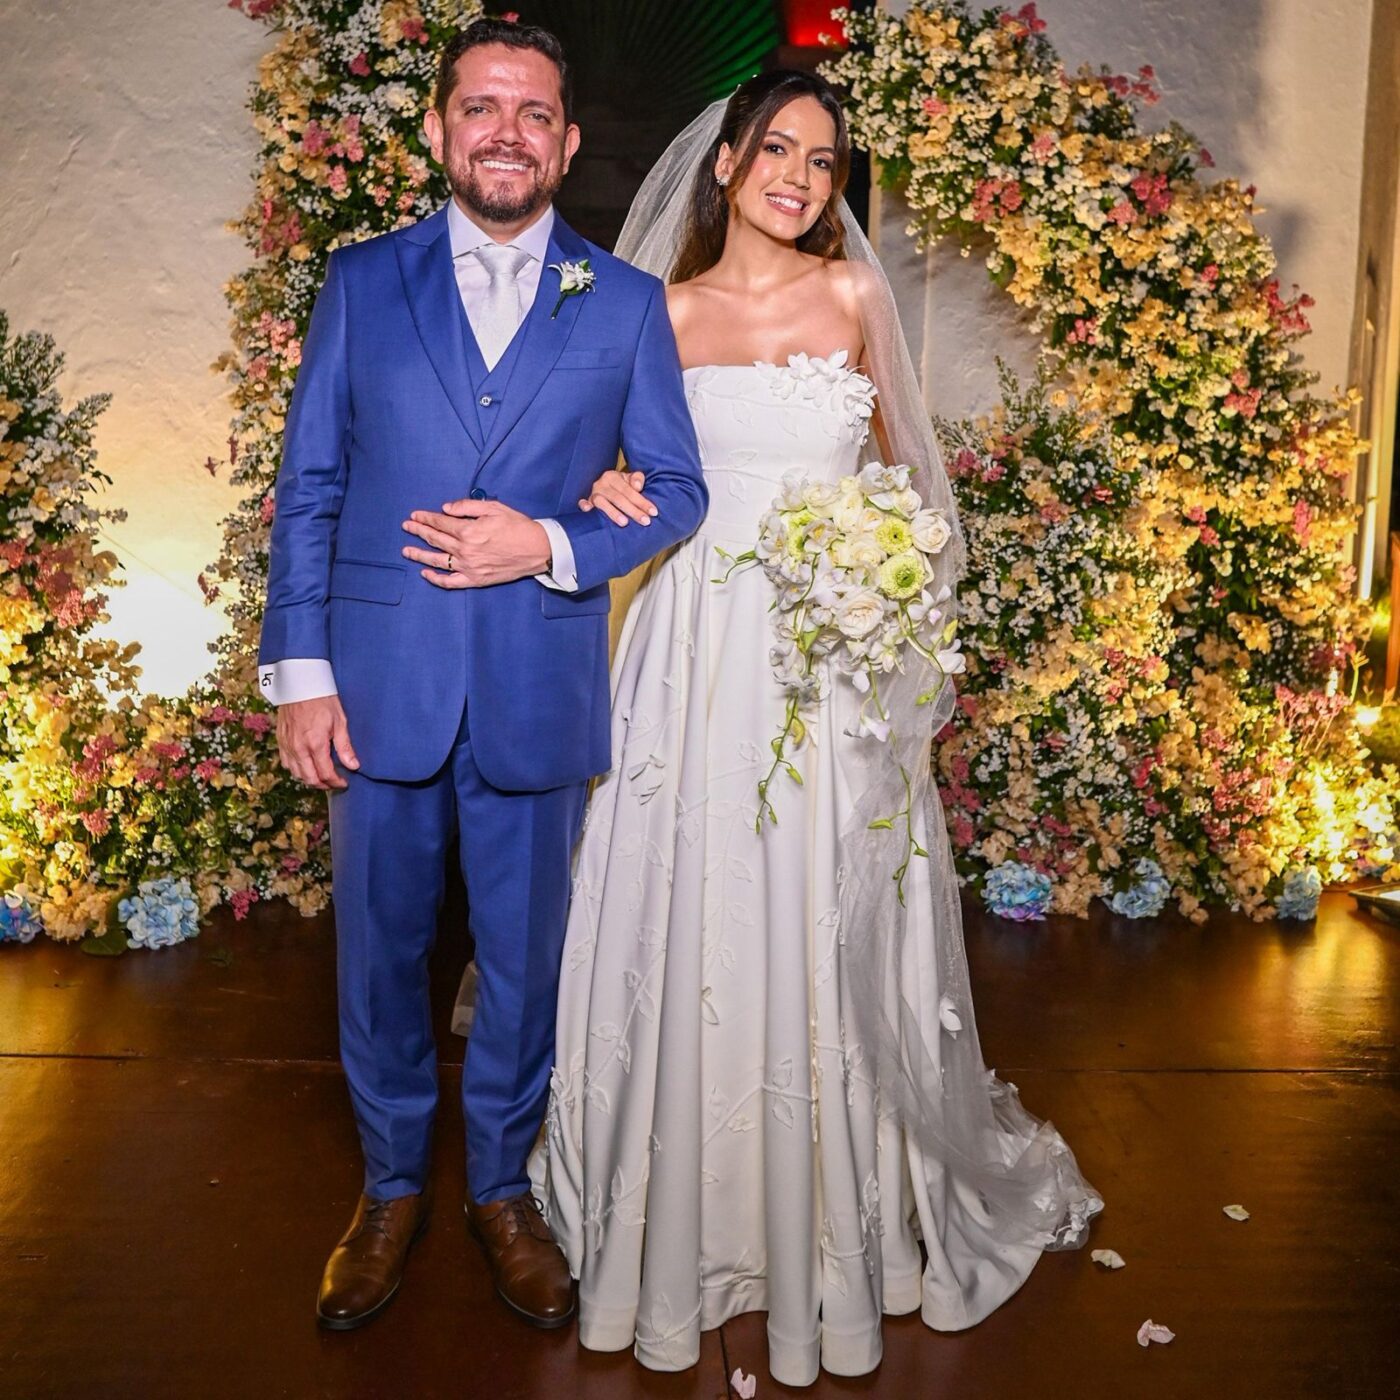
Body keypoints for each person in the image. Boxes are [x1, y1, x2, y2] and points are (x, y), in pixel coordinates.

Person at [533, 72, 1102, 1385]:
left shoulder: (855, 299)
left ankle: (834, 1216)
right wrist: (607, 479)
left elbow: (914, 482)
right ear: (725, 163)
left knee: (824, 909)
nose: (799, 172)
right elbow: (602, 470)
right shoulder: (657, 313)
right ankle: (683, 1209)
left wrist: (883, 582)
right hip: (689, 654)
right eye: (777, 148)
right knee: (695, 908)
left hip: (831, 659)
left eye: (824, 158)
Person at [257, 19, 707, 1332]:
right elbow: (312, 486)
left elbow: (674, 487)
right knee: (379, 955)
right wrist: (299, 674)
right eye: (482, 107)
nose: (507, 131)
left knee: (526, 959)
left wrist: (552, 541)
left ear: (566, 141)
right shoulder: (360, 281)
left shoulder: (619, 303)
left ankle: (503, 1189)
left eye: (534, 112)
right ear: (442, 130)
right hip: (377, 682)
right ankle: (392, 1184)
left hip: (533, 684)